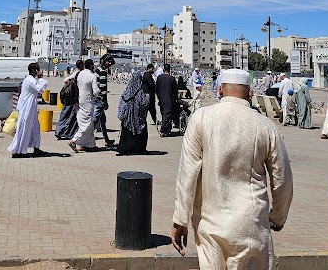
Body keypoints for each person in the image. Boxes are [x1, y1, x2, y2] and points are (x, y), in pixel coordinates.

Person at [171, 68, 293, 269]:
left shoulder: (200, 118)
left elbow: (187, 173)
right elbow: (282, 178)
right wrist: (278, 216)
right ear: (250, 93)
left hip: (209, 224)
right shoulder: (265, 126)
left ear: (220, 90)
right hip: (251, 224)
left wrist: (180, 219)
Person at [7, 62, 46, 158]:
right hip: (27, 109)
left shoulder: (31, 79)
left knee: (35, 128)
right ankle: (17, 150)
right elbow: (40, 89)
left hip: (31, 108)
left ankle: (36, 148)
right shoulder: (30, 80)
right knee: (24, 129)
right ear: (33, 70)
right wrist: (41, 78)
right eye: (38, 70)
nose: (39, 71)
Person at [69, 59, 100, 152]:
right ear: (91, 66)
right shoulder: (92, 76)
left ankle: (89, 144)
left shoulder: (80, 73)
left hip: (79, 101)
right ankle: (74, 140)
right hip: (88, 102)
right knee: (87, 123)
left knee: (86, 123)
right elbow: (95, 91)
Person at [116, 70, 150, 155]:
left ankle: (125, 149)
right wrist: (148, 98)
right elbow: (144, 105)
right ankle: (139, 149)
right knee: (141, 133)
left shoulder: (127, 92)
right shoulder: (140, 93)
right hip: (138, 119)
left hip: (127, 118)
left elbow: (122, 103)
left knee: (126, 133)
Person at [93, 54, 116, 148]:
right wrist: (105, 101)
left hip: (96, 97)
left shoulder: (98, 69)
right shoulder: (102, 71)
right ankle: (84, 138)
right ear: (103, 61)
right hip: (100, 99)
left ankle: (106, 140)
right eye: (108, 61)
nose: (109, 63)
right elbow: (103, 88)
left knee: (102, 120)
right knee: (95, 120)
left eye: (110, 62)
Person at [56, 60, 81, 140]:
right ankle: (64, 132)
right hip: (72, 98)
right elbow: (66, 79)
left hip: (68, 97)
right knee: (70, 115)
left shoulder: (75, 71)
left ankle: (60, 132)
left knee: (65, 114)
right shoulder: (77, 73)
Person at [156, 63, 178, 136]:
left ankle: (167, 129)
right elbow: (175, 90)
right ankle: (163, 130)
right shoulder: (171, 78)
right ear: (169, 70)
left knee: (163, 113)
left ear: (163, 70)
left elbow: (156, 88)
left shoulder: (159, 78)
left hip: (161, 99)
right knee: (168, 114)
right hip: (169, 99)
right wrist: (175, 98)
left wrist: (159, 97)